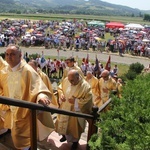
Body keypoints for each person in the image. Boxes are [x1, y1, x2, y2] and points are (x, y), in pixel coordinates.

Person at [0, 44, 55, 150]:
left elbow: (38, 86)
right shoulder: (4, 71)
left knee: (25, 139)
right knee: (15, 136)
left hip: (24, 112)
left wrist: (41, 97)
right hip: (11, 110)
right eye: (7, 54)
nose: (9, 57)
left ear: (20, 55)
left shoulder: (27, 70)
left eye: (12, 54)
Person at [55, 69, 93, 150]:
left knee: (74, 129)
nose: (70, 83)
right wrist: (61, 94)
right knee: (63, 125)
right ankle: (64, 136)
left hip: (75, 111)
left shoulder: (85, 86)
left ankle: (75, 143)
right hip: (64, 107)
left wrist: (76, 101)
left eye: (72, 81)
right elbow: (60, 87)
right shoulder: (67, 80)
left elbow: (88, 101)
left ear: (78, 77)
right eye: (69, 80)